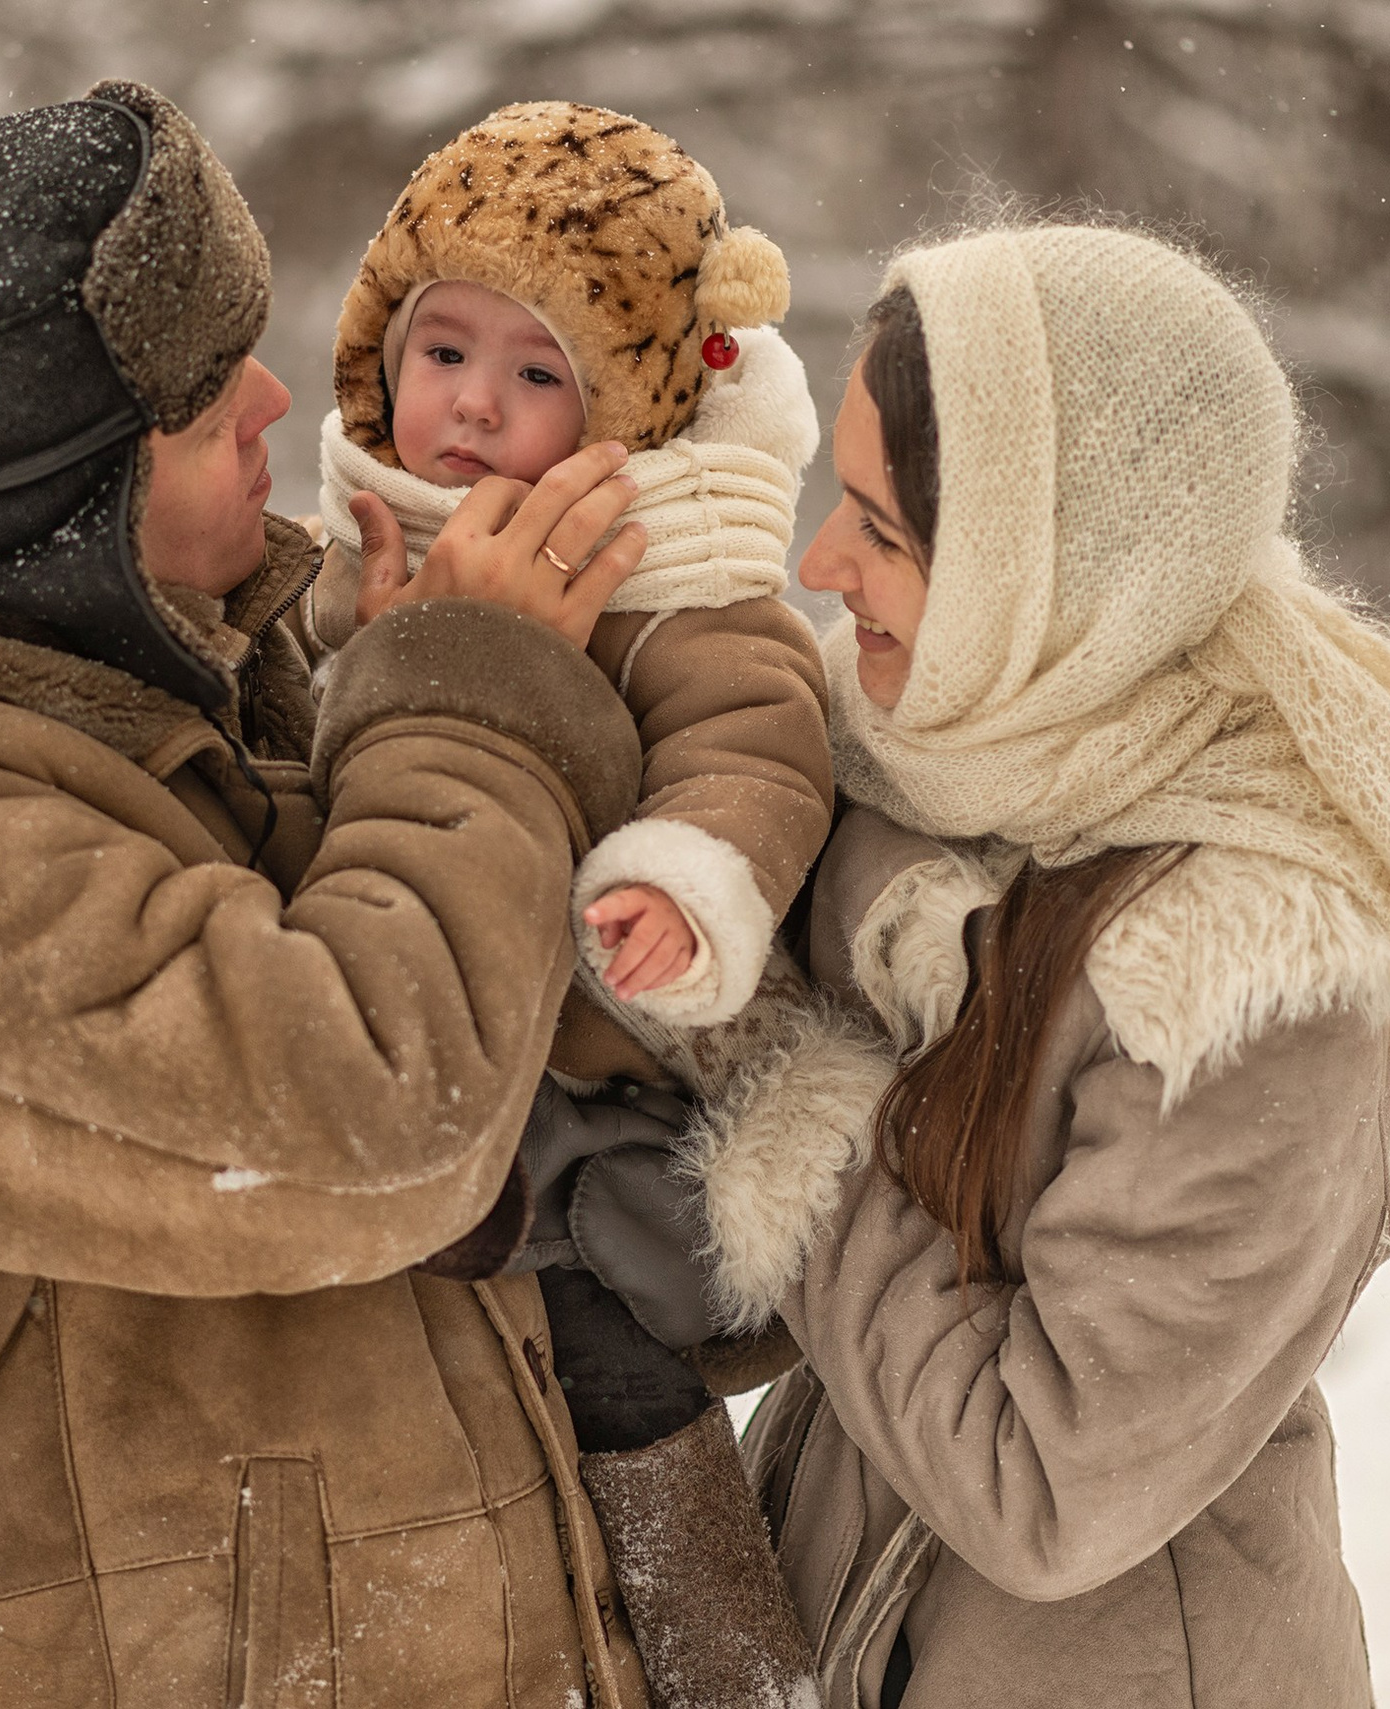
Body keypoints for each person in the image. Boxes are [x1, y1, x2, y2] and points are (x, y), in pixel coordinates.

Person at [0, 81, 669, 1707]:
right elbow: (380, 1115)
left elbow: (512, 1048)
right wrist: (468, 698)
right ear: (54, 514)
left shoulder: (164, 642)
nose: (277, 398)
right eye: (210, 406)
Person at [580, 224, 1390, 1706]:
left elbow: (1045, 1487)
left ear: (1043, 578)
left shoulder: (1249, 978)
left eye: (881, 532)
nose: (821, 565)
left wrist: (765, 1071)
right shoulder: (919, 751)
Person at [293, 102, 837, 1706]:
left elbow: (757, 749)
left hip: (610, 1087)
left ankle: (732, 1662)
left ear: (635, 407)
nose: (471, 403)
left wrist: (685, 881)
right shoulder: (354, 547)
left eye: (540, 375)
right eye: (443, 348)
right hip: (434, 1041)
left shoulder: (678, 579)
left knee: (615, 1376)